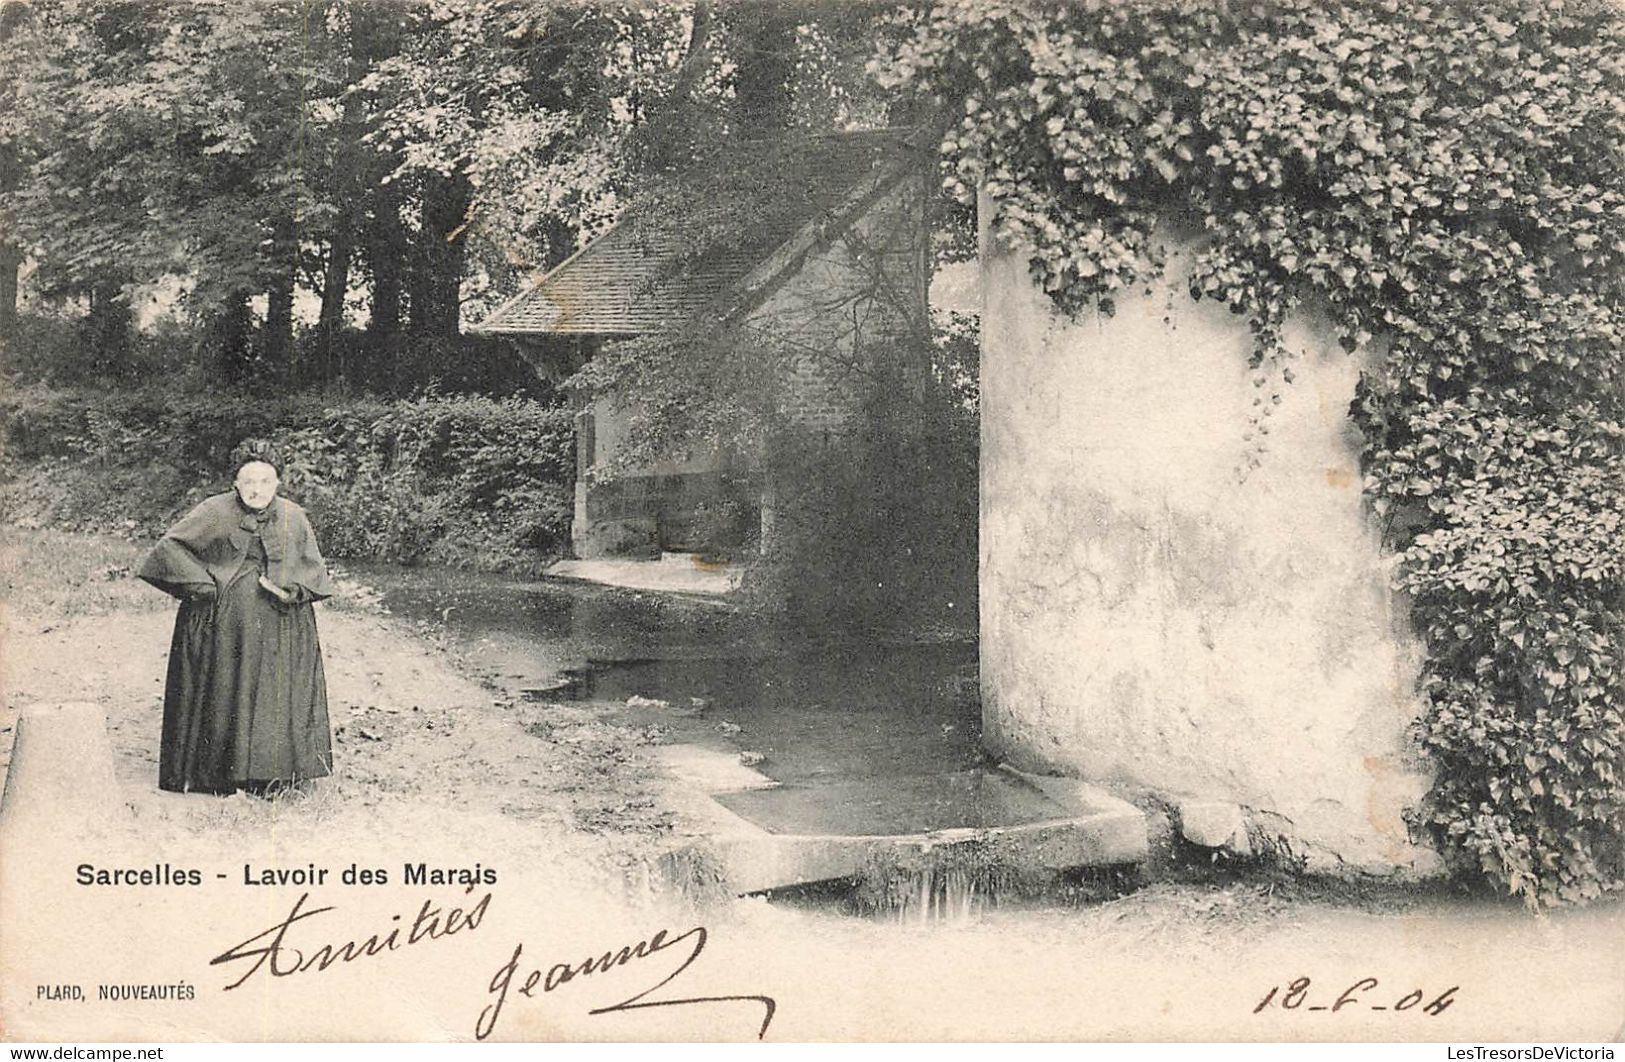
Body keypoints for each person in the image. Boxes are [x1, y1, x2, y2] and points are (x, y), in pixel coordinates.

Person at [138, 440, 337, 795]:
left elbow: (313, 571)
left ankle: (271, 775)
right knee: (228, 687)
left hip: (281, 625)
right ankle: (219, 773)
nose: (256, 489)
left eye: (265, 481)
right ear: (236, 484)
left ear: (277, 483)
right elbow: (168, 549)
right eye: (248, 481)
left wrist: (291, 591)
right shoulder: (214, 511)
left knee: (274, 694)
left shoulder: (294, 516)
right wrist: (204, 586)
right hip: (225, 625)